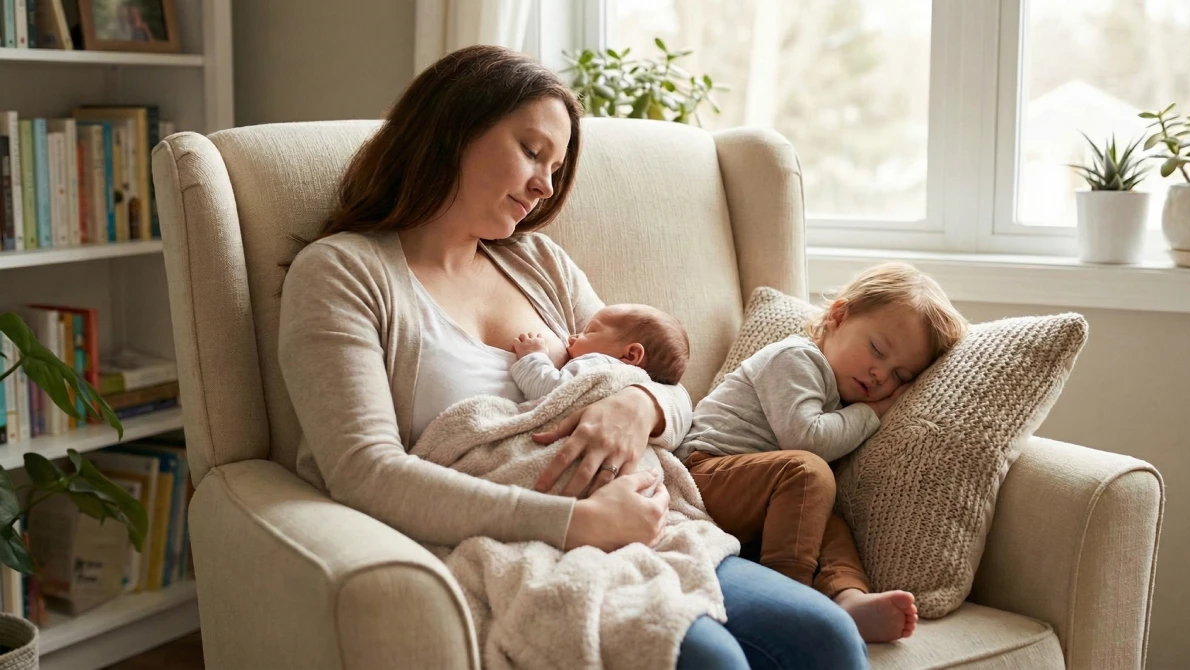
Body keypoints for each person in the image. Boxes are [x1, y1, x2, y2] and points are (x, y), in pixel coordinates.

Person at [278, 44, 868, 669]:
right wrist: (575, 523)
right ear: (452, 129)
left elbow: (665, 386)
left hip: (637, 526)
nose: (544, 185)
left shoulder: (537, 262)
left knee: (828, 639)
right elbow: (364, 471)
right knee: (708, 660)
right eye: (532, 152)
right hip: (502, 538)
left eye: (556, 168)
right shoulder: (343, 272)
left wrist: (637, 407)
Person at [677, 262, 969, 643]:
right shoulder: (795, 358)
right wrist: (873, 412)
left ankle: (849, 599)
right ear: (838, 316)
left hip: (755, 497)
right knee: (809, 472)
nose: (881, 374)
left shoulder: (839, 392)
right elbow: (806, 439)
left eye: (900, 376)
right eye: (877, 350)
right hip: (704, 475)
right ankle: (788, 597)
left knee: (828, 521)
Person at [510, 303, 690, 401]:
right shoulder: (643, 387)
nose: (572, 337)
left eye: (589, 331)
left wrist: (533, 356)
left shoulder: (604, 367)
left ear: (630, 355)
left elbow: (550, 391)